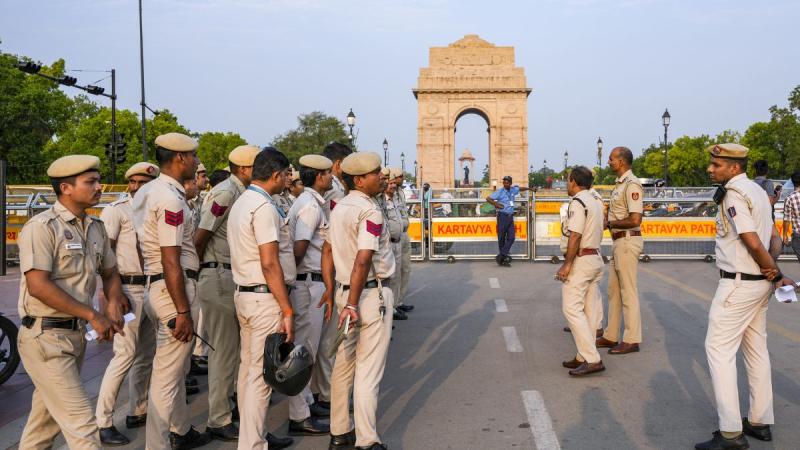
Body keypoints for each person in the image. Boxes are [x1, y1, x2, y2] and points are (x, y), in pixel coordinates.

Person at [17, 155, 128, 449]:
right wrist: (93, 314)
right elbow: (38, 286)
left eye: (98, 180)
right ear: (65, 188)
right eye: (90, 182)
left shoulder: (95, 227)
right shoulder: (42, 227)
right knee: (83, 426)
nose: (99, 186)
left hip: (74, 336)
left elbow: (110, 271)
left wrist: (113, 302)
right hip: (45, 338)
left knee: (43, 426)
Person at [695, 143, 797, 450]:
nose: (711, 169)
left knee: (718, 350)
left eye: (716, 164)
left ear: (734, 167)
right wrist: (773, 272)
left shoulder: (735, 194)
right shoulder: (758, 192)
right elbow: (774, 239)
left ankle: (730, 433)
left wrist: (775, 275)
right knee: (756, 351)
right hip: (759, 284)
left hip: (738, 284)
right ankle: (760, 421)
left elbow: (752, 241)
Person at [132, 132, 211, 450]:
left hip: (157, 287)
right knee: (166, 377)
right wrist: (182, 310)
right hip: (174, 290)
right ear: (180, 158)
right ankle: (158, 444)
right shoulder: (170, 199)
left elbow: (142, 247)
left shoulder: (147, 192)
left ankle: (181, 430)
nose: (196, 161)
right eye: (193, 156)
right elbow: (171, 258)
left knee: (174, 370)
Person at [322, 152, 395, 450]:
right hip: (367, 295)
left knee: (344, 364)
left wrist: (334, 291)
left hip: (345, 292)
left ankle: (339, 432)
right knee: (368, 369)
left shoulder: (339, 207)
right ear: (359, 180)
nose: (381, 177)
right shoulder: (369, 211)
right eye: (375, 173)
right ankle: (366, 439)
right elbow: (364, 258)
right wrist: (352, 304)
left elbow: (327, 250)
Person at [227, 148, 296, 450]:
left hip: (245, 294)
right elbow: (270, 263)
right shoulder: (264, 207)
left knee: (248, 373)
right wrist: (287, 309)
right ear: (276, 175)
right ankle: (253, 444)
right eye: (286, 175)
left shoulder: (243, 202)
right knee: (261, 378)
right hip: (264, 298)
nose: (287, 180)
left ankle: (252, 437)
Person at [193, 145, 261, 441]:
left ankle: (230, 408)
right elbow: (201, 236)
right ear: (244, 169)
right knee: (223, 351)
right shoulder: (226, 193)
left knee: (235, 351)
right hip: (218, 273)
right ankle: (219, 418)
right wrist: (200, 273)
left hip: (229, 274)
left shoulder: (240, 192)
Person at [96, 162, 159, 445]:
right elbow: (104, 256)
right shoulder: (117, 210)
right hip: (127, 290)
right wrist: (111, 296)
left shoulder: (154, 210)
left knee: (146, 353)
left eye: (142, 183)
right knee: (124, 355)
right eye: (132, 182)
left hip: (151, 287)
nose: (135, 187)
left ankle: (138, 409)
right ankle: (103, 421)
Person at [555, 167, 606, 377]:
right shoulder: (595, 200)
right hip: (596, 257)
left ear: (574, 182)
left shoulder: (578, 202)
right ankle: (583, 355)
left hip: (582, 260)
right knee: (590, 311)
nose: (567, 185)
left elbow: (575, 235)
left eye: (568, 181)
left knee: (571, 309)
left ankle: (592, 359)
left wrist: (567, 264)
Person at [596, 147, 644, 355]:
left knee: (627, 291)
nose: (609, 162)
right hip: (619, 241)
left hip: (627, 240)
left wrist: (610, 223)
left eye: (611, 159)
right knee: (613, 291)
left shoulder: (632, 184)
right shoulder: (620, 184)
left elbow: (635, 219)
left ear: (622, 161)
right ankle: (611, 335)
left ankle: (632, 339)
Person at [485, 176, 535, 266]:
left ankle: (502, 255)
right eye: (504, 182)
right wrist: (496, 204)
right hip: (502, 216)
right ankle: (503, 259)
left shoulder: (513, 190)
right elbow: (488, 198)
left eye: (507, 182)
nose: (505, 184)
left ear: (510, 183)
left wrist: (530, 188)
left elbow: (520, 189)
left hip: (510, 217)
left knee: (511, 238)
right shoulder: (500, 192)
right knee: (501, 238)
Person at [380, 168, 406, 321]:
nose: (392, 185)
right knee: (388, 279)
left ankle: (394, 307)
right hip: (387, 244)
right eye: (389, 182)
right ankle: (388, 311)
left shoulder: (392, 199)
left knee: (396, 277)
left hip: (397, 241)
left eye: (393, 182)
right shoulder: (380, 200)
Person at [391, 167, 414, 314]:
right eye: (399, 177)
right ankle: (392, 306)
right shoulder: (386, 194)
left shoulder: (400, 192)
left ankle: (399, 301)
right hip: (394, 238)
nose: (402, 178)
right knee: (394, 274)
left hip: (404, 234)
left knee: (405, 269)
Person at [322, 142, 353, 217]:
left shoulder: (331, 184)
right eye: (349, 164)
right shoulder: (334, 189)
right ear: (338, 164)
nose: (352, 168)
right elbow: (334, 219)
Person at [782, 171, 800, 262]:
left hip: (798, 236)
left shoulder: (789, 198)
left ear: (792, 182)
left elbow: (787, 219)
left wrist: (785, 234)